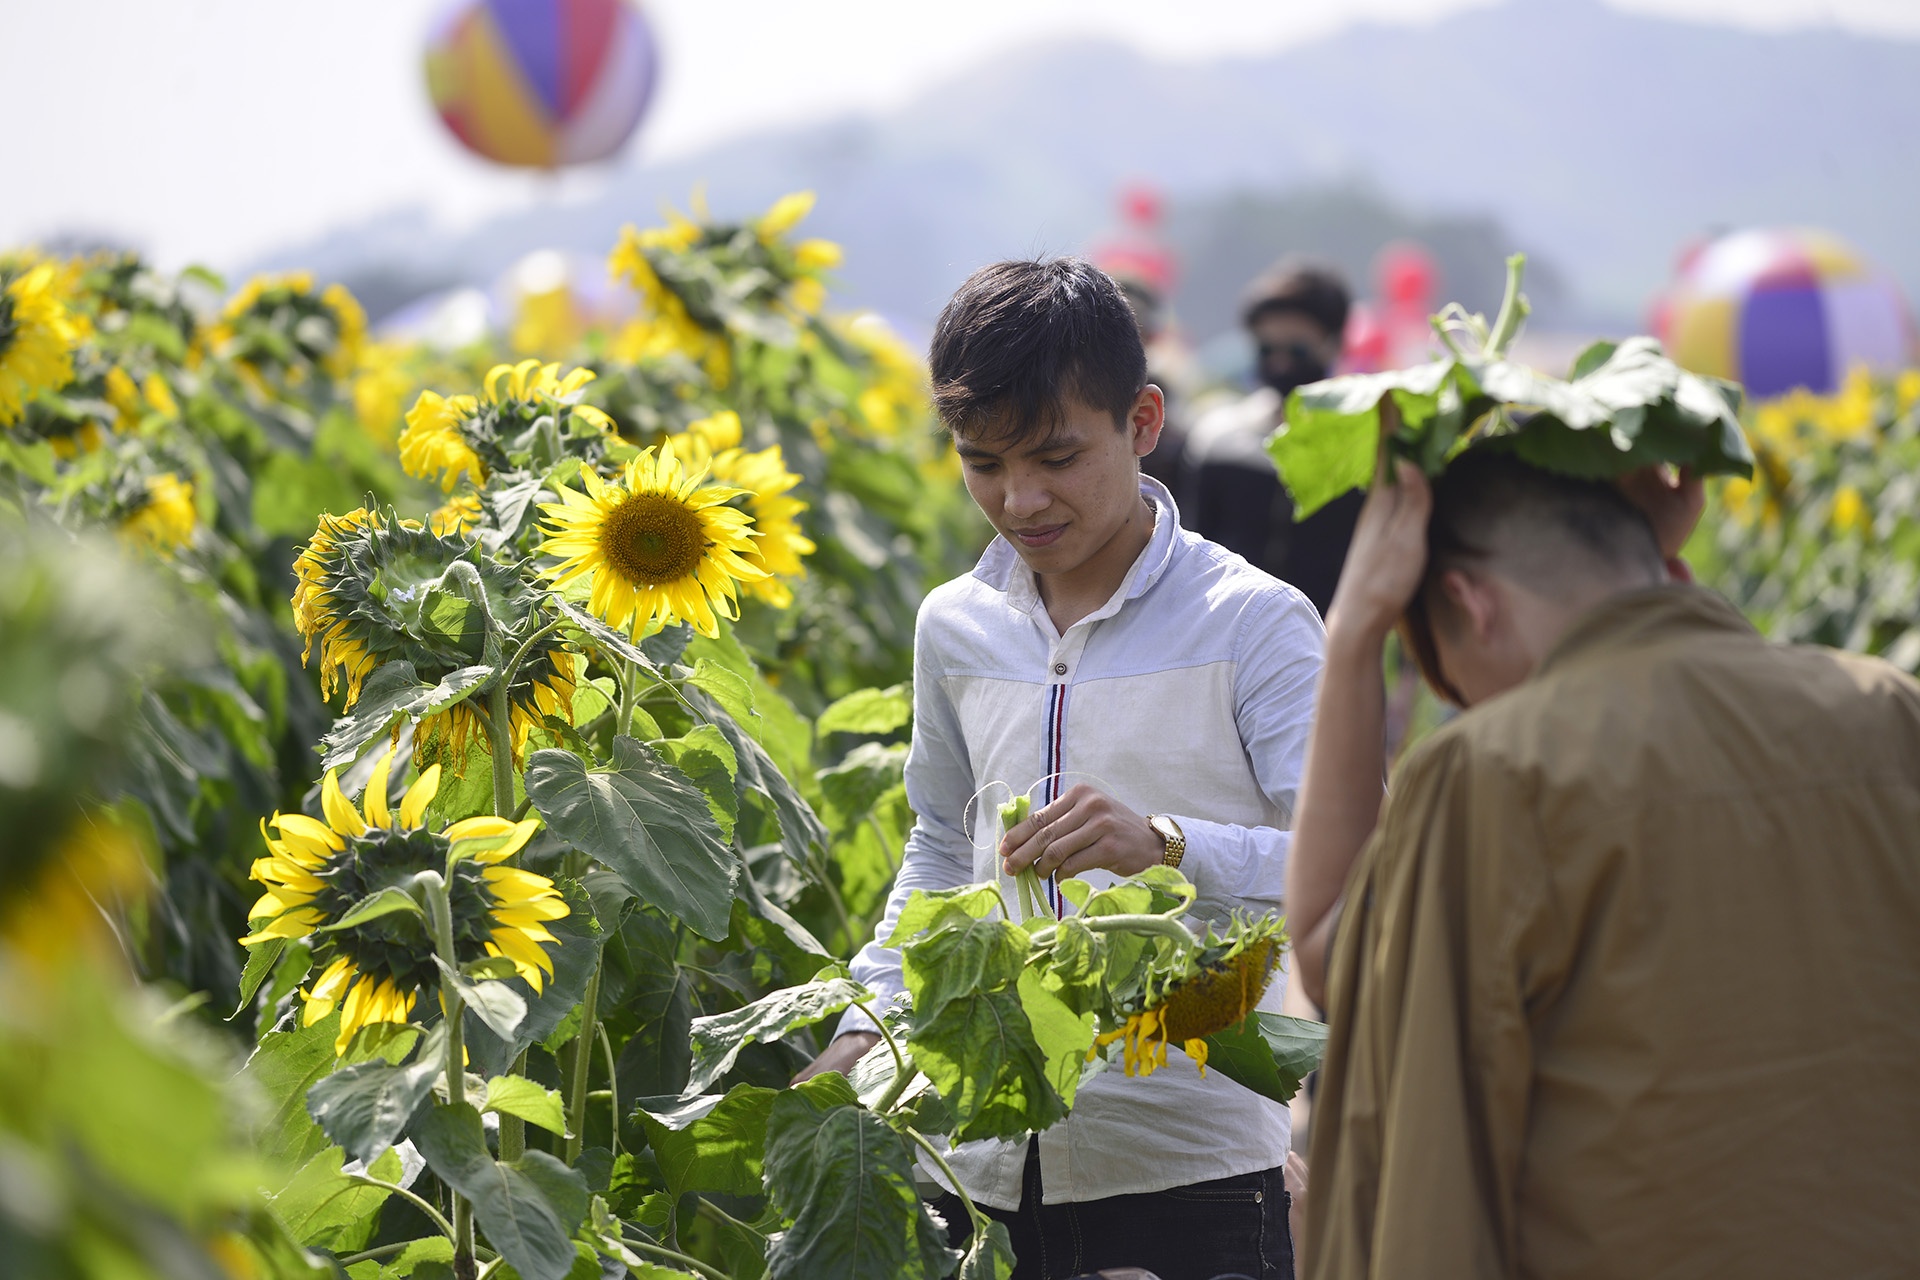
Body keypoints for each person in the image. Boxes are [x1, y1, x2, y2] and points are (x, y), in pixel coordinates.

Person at [794, 257, 1325, 1280]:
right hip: (973, 1161)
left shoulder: (1254, 622)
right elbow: (944, 846)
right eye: (983, 463)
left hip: (1185, 1167)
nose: (1020, 497)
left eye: (1055, 455)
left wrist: (1169, 843)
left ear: (1142, 421)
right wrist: (870, 1020)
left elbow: (1365, 863)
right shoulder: (955, 623)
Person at [1284, 439, 1920, 1279]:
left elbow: (1331, 958)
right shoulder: (1888, 712)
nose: (1470, 703)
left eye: (1452, 678)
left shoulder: (1493, 769)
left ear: (1468, 603)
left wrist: (1357, 631)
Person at [1180, 259, 1357, 617]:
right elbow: (1190, 555)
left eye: (1297, 351)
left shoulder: (1362, 447)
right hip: (1228, 639)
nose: (1279, 363)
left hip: (1327, 645)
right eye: (1267, 350)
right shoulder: (1219, 439)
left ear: (1335, 344)